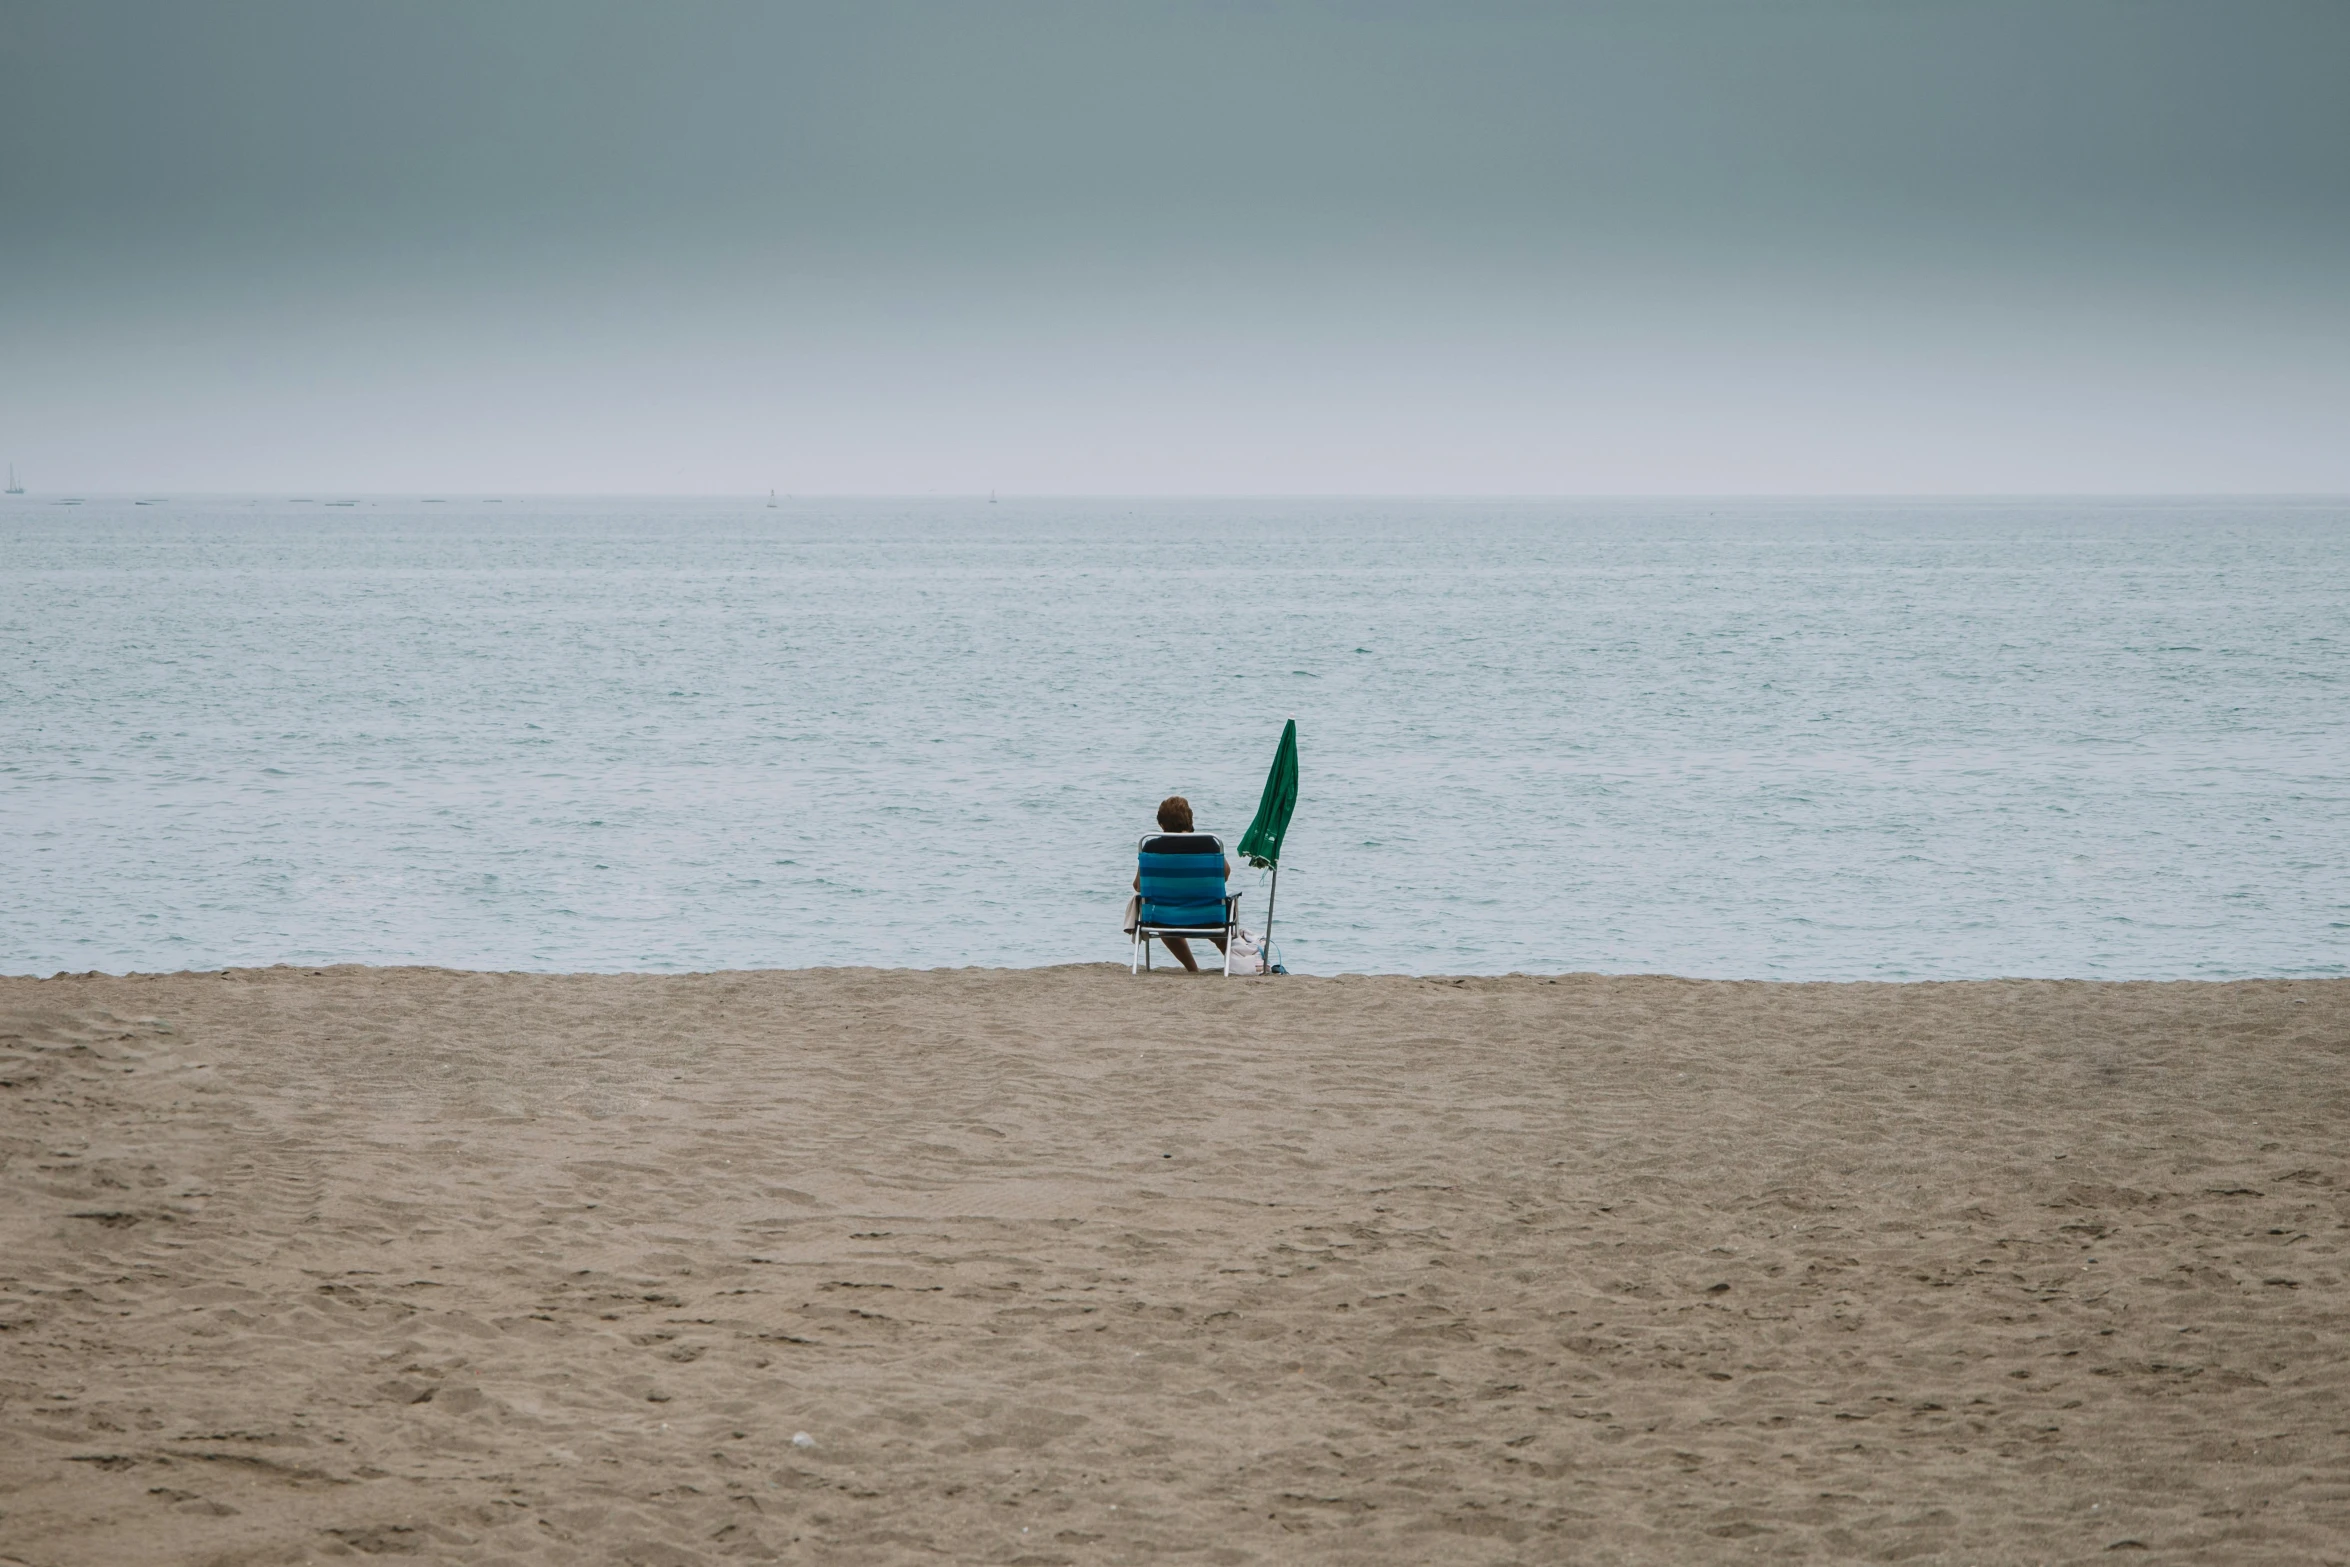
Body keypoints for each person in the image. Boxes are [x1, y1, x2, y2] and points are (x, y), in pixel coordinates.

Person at [1132, 795, 1230, 973]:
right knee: (1217, 918)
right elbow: (1225, 874)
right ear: (1189, 820)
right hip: (1208, 916)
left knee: (1164, 919)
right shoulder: (1209, 843)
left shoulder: (1150, 847)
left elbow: (1138, 886)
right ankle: (1234, 962)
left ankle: (1193, 970)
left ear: (1162, 824)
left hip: (1165, 919)